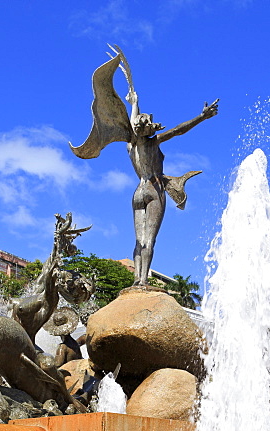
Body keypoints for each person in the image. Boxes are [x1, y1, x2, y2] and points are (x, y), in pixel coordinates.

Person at [71, 46, 218, 286]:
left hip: (137, 192)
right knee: (150, 240)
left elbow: (132, 124)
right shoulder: (153, 141)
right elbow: (179, 130)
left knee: (138, 240)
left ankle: (136, 281)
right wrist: (202, 117)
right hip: (154, 189)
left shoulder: (130, 145)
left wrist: (134, 104)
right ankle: (144, 282)